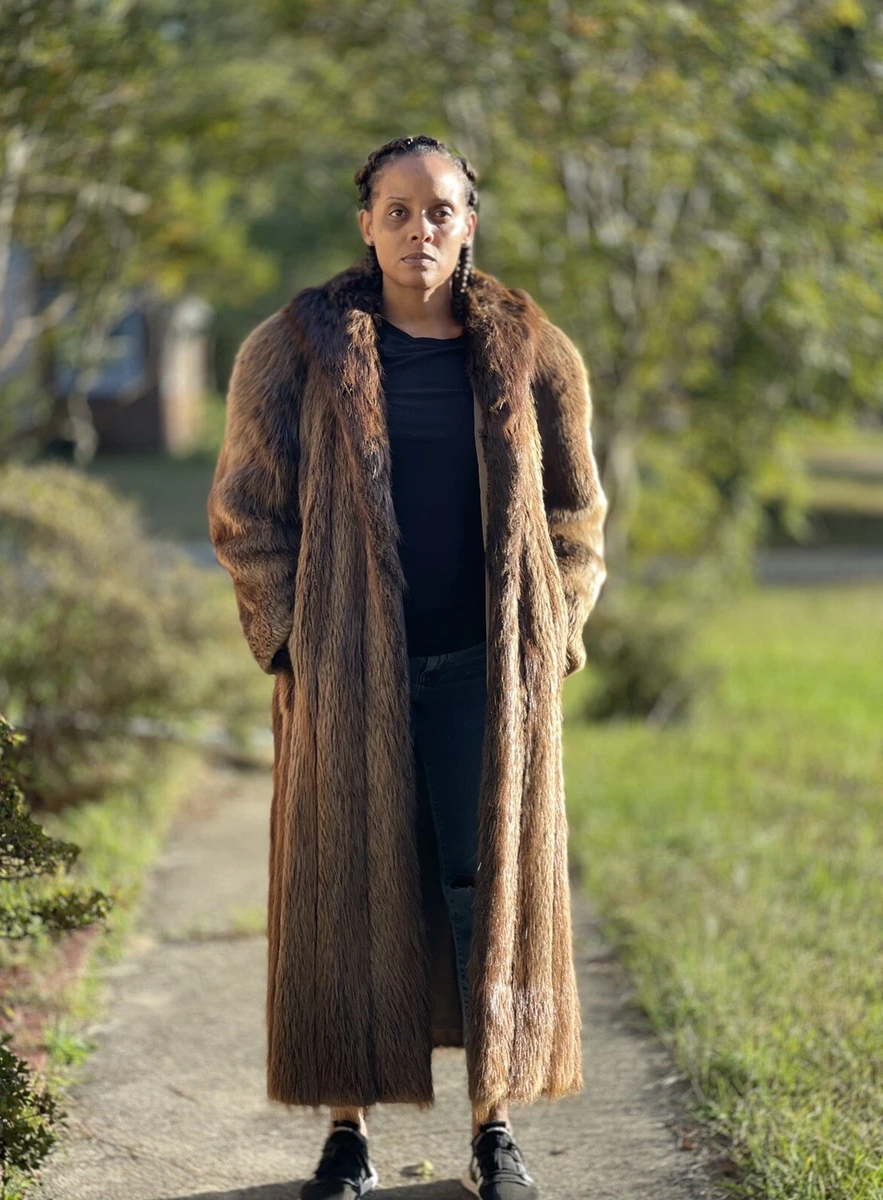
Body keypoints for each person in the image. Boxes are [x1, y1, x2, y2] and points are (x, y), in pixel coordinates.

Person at [207, 134, 608, 1200]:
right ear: (366, 224)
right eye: (398, 210)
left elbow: (575, 515)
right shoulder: (291, 352)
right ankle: (347, 1134)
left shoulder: (536, 353)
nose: (419, 229)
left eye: (439, 210)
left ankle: (494, 1129)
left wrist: (553, 632)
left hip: (490, 672)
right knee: (349, 895)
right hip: (347, 673)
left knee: (487, 899)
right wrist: (293, 640)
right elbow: (246, 514)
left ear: (469, 221)